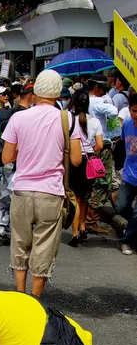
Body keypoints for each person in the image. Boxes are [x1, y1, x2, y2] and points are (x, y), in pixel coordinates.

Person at [2, 70, 82, 297]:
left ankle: (19, 294)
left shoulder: (18, 117)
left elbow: (7, 157)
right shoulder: (67, 119)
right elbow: (76, 159)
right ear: (58, 93)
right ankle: (35, 300)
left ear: (35, 91)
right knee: (44, 246)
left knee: (19, 244)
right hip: (52, 192)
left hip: (22, 189)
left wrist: (26, 148)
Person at [0, 82, 34, 247]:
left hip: (7, 160)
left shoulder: (8, 114)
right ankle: (20, 234)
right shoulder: (28, 117)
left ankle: (0, 230)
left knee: (5, 196)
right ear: (30, 96)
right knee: (22, 200)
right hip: (23, 163)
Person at [68, 90, 103, 247]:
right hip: (90, 163)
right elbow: (100, 145)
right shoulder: (95, 122)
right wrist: (90, 151)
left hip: (74, 162)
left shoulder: (70, 121)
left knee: (74, 198)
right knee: (84, 197)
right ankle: (83, 227)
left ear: (74, 104)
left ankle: (74, 233)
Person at [86, 75, 119, 233]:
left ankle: (87, 219)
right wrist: (108, 100)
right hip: (102, 145)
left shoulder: (83, 100)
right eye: (103, 89)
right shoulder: (97, 101)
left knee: (92, 182)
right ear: (97, 88)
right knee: (102, 183)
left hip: (88, 146)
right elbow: (113, 111)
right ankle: (91, 221)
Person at [115, 94, 137, 255]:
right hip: (129, 175)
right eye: (134, 111)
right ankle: (132, 227)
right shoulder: (128, 123)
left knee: (136, 213)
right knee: (121, 207)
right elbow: (123, 143)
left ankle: (127, 241)